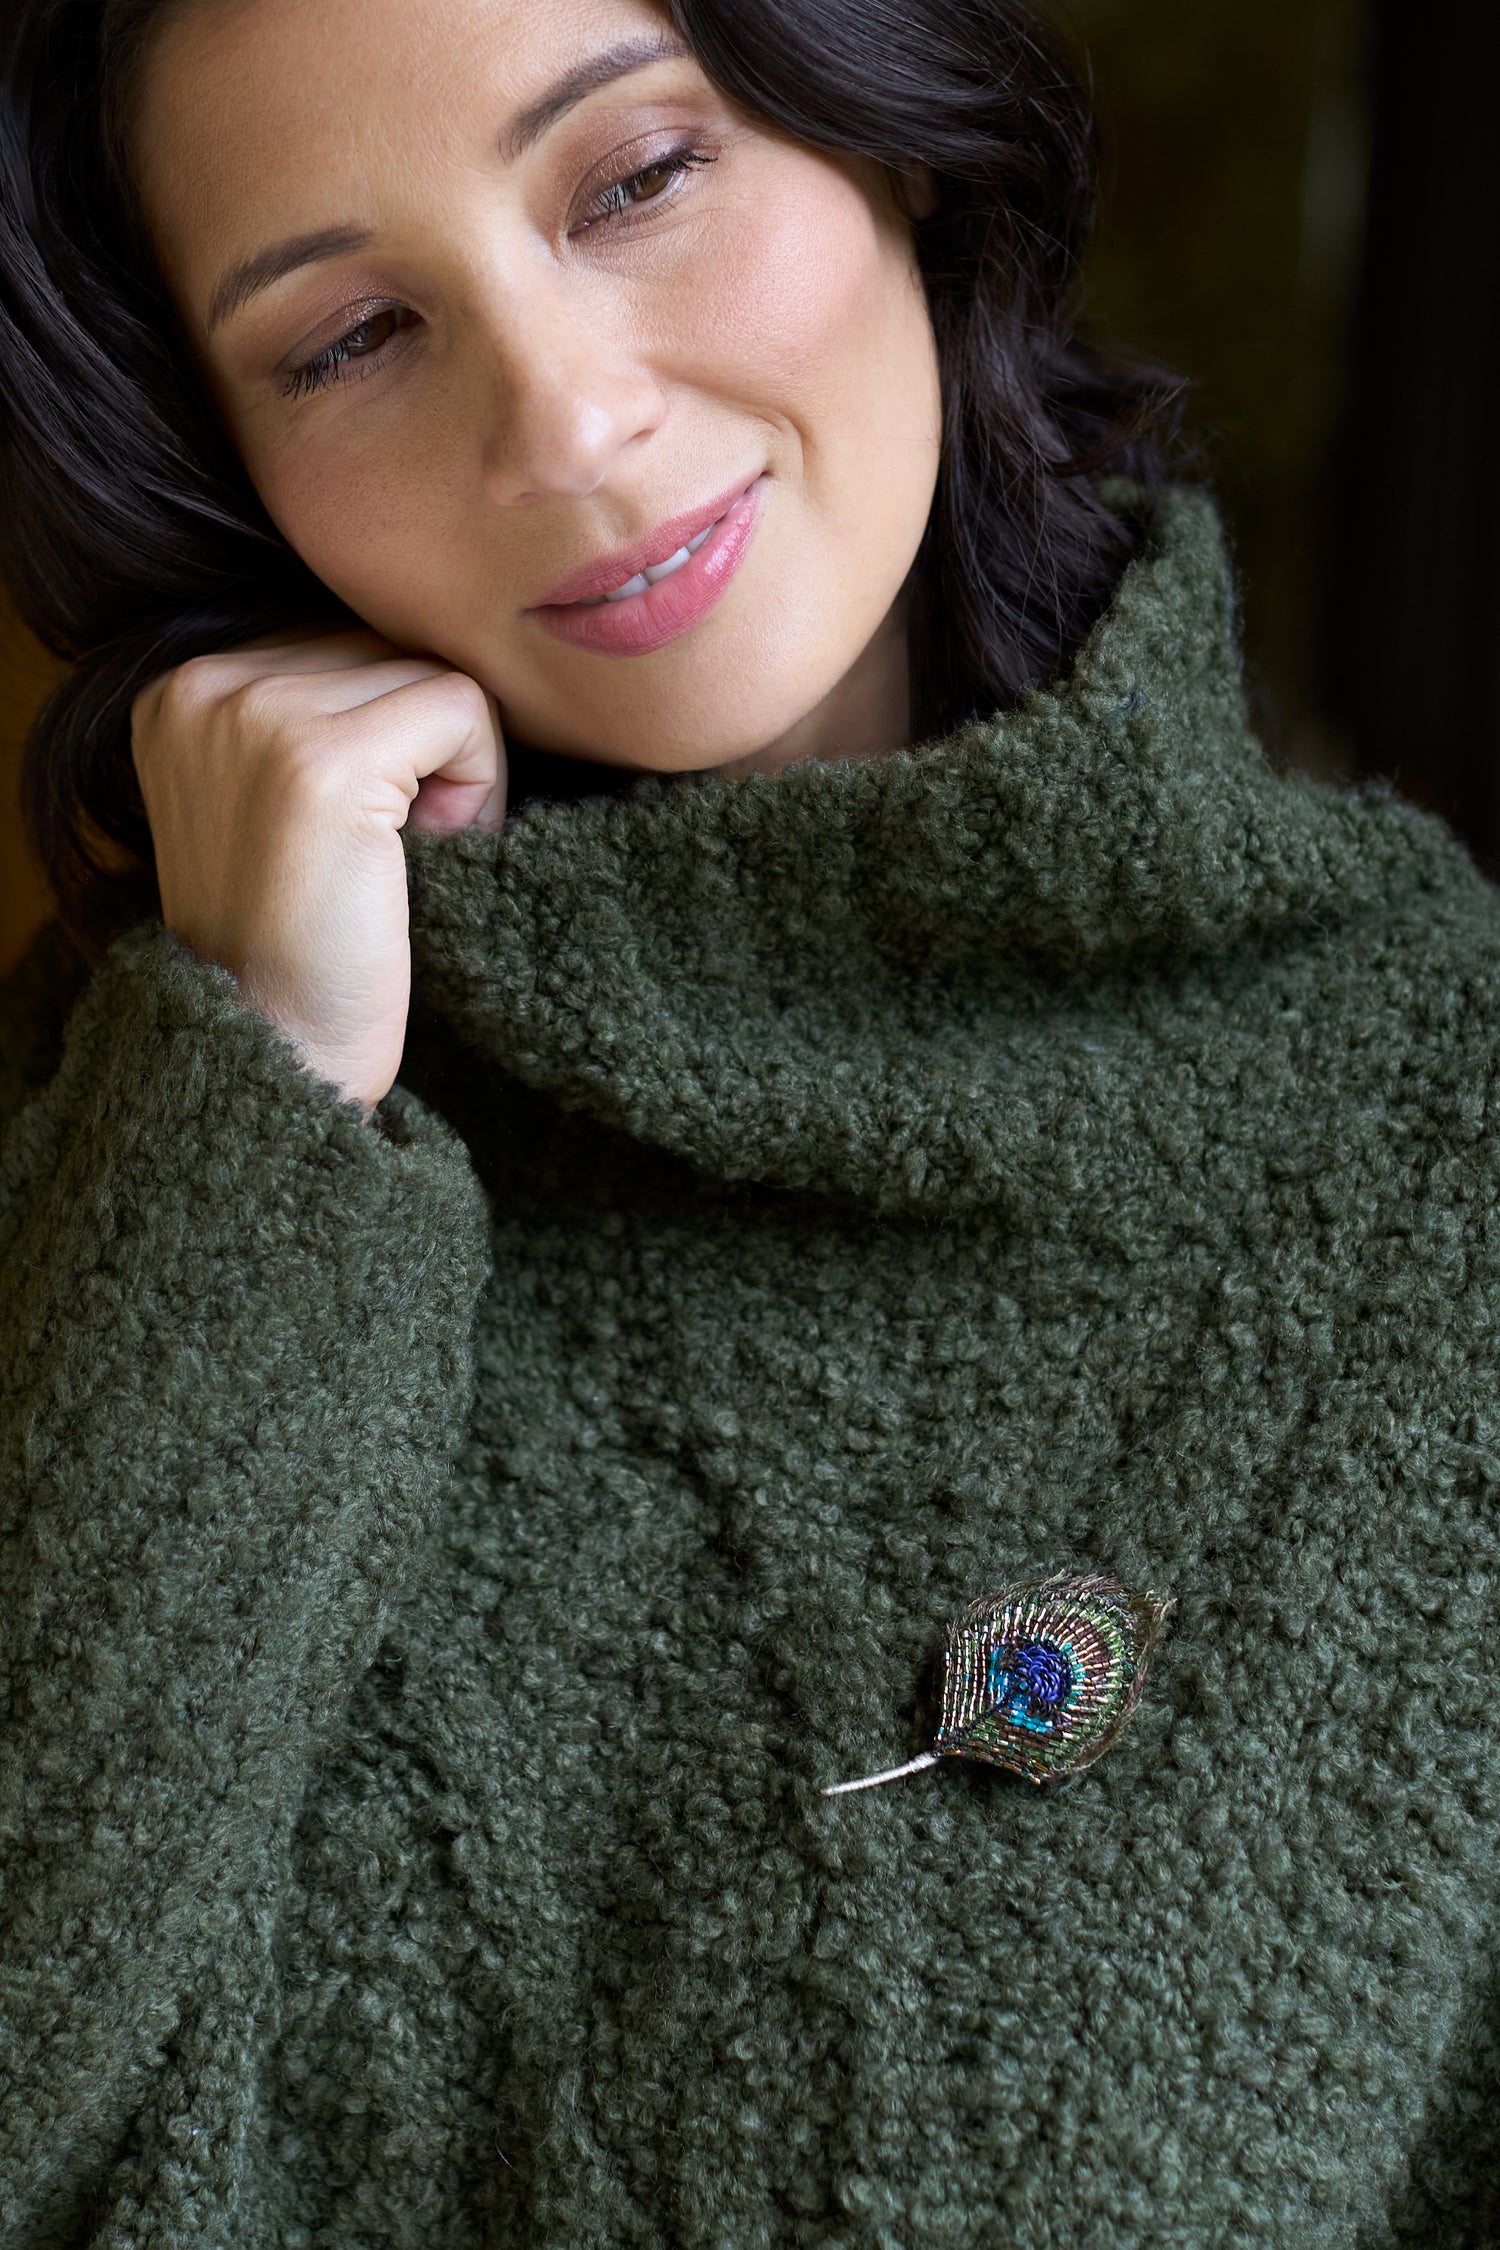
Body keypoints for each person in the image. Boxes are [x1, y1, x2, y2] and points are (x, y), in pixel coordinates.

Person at [1, 0, 1497, 2242]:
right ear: (218, 454)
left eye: (638, 179)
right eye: (355, 334)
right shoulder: (138, 1171)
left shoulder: (1441, 1129)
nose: (573, 422)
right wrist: (262, 1097)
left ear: (895, 132)